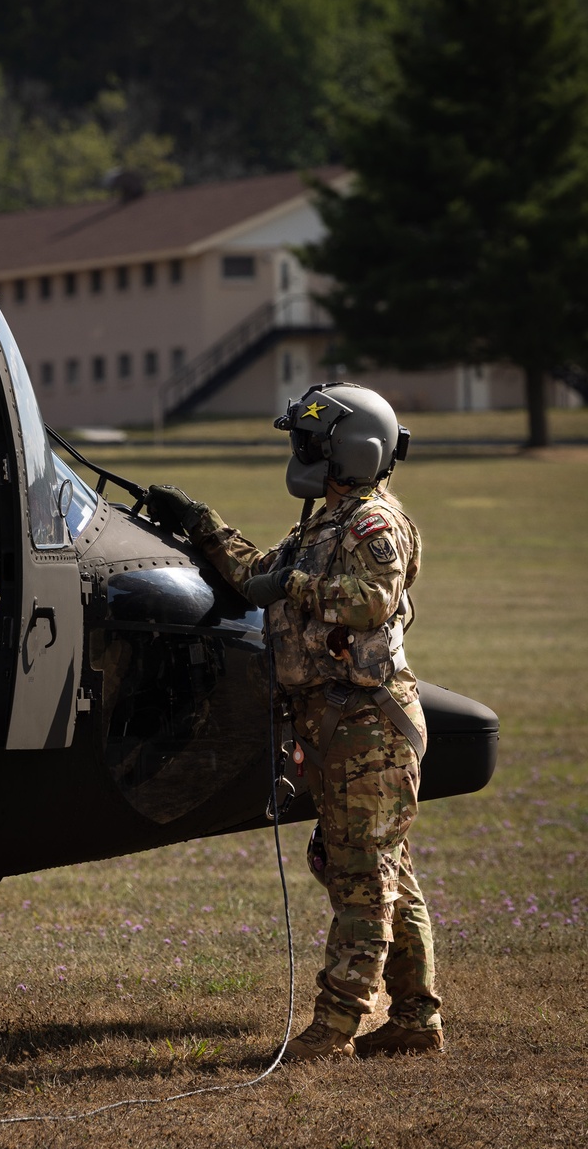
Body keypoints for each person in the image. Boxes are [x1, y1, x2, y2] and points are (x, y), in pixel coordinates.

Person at [147, 382, 443, 1062]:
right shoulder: (319, 525)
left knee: (362, 880)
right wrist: (198, 520)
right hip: (337, 723)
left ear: (352, 453)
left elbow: (371, 602)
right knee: (382, 871)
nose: (301, 451)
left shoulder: (373, 525)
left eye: (310, 442)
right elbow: (256, 578)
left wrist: (298, 585)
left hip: (370, 724)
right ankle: (418, 1019)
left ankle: (336, 1027)